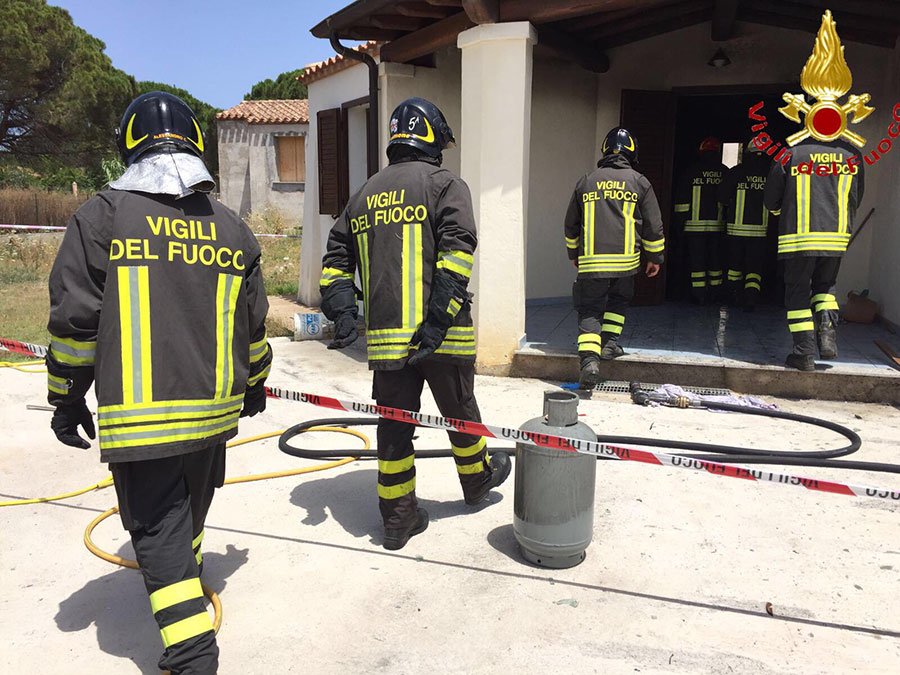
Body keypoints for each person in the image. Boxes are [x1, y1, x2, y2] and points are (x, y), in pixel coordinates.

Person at [46, 91, 272, 674]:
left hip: (142, 418)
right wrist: (254, 387)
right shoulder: (233, 228)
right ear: (197, 145)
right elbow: (254, 328)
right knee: (189, 514)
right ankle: (187, 580)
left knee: (157, 530)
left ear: (128, 145)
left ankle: (194, 654)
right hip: (213, 415)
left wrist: (66, 399)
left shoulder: (101, 216)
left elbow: (75, 323)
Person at [319, 97, 511, 551]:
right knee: (460, 413)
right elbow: (457, 253)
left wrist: (344, 311)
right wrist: (438, 321)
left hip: (387, 345)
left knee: (394, 426)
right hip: (441, 338)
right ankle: (477, 482)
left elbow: (335, 260)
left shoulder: (364, 194)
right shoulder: (445, 184)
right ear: (431, 138)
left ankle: (398, 520)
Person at [564, 127, 665, 388]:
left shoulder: (586, 181)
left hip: (592, 263)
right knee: (618, 303)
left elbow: (571, 225)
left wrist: (574, 253)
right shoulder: (640, 182)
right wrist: (655, 257)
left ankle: (589, 361)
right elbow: (653, 226)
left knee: (590, 309)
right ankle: (608, 344)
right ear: (632, 153)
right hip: (626, 264)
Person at [764, 137, 864, 370]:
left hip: (799, 237)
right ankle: (827, 337)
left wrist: (784, 211)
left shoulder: (790, 154)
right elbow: (855, 198)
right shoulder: (852, 154)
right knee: (826, 287)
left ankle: (803, 353)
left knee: (798, 293)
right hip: (836, 237)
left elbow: (771, 201)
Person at [718, 141, 774, 311]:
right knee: (754, 268)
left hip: (735, 231)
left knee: (734, 267)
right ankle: (751, 299)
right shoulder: (770, 173)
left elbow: (721, 196)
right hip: (760, 232)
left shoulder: (736, 172)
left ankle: (734, 297)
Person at [673, 137, 727, 303]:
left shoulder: (690, 172)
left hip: (693, 228)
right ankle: (715, 294)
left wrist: (678, 225)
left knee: (697, 264)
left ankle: (699, 296)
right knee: (715, 261)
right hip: (717, 228)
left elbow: (681, 201)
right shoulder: (724, 171)